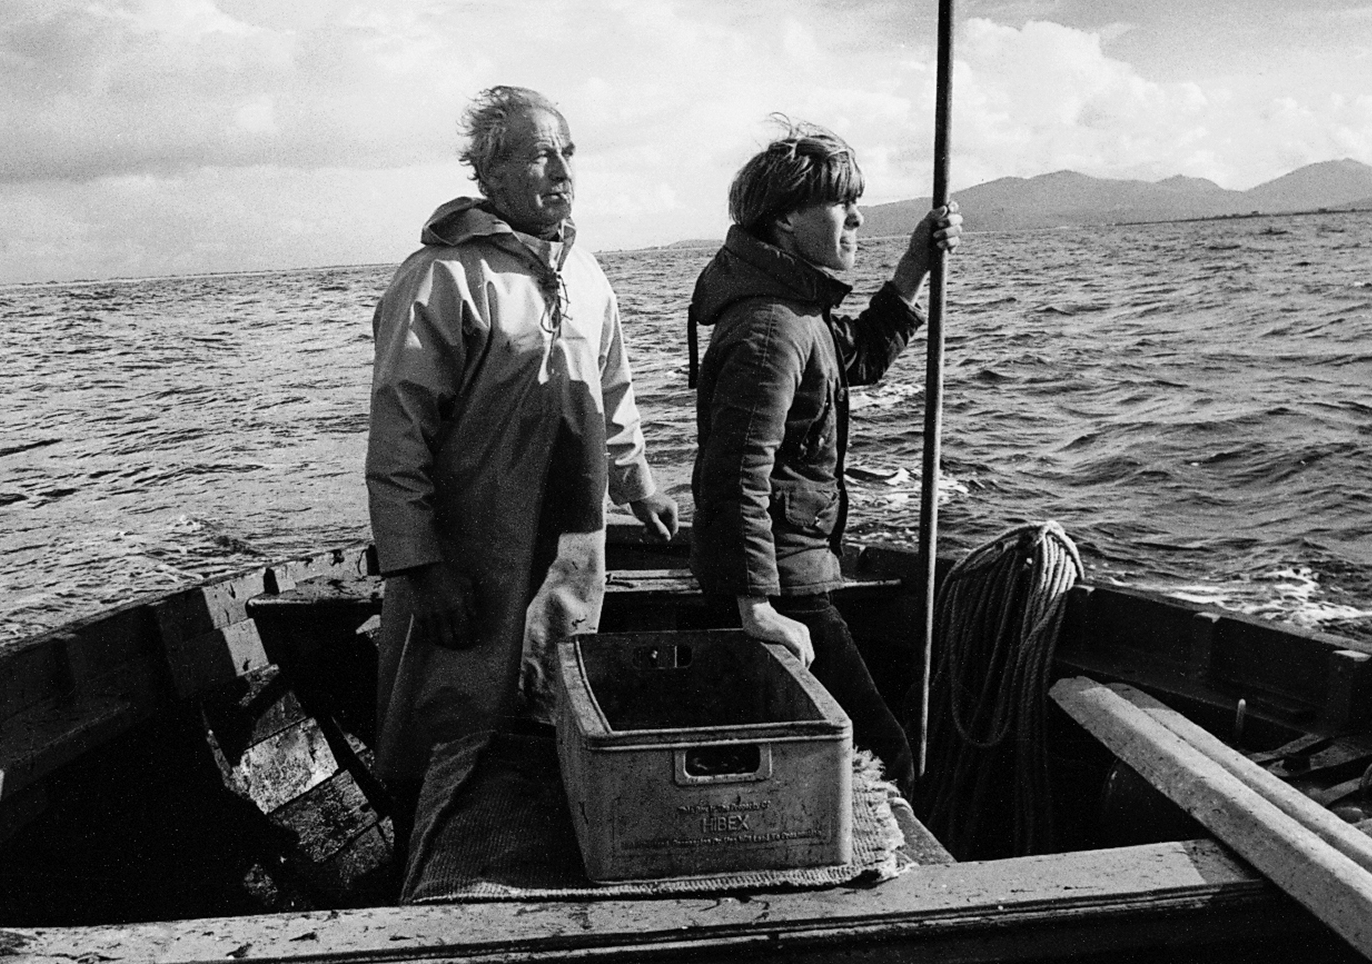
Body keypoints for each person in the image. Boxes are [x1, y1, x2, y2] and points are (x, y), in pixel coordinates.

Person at [367, 85, 679, 841]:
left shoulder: (590, 276)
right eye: (542, 152)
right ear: (491, 171)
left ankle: (536, 852)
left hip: (570, 550)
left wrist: (638, 481)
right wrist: (420, 564)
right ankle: (435, 864)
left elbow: (613, 391)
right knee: (453, 721)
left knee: (554, 696)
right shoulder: (442, 277)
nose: (563, 169)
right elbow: (398, 436)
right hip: (470, 558)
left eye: (569, 151)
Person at [687, 121, 961, 791]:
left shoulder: (796, 308)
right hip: (782, 582)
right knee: (883, 753)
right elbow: (734, 476)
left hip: (794, 569)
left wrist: (913, 268)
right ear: (784, 220)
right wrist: (758, 610)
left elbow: (857, 356)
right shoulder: (772, 328)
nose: (858, 215)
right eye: (841, 203)